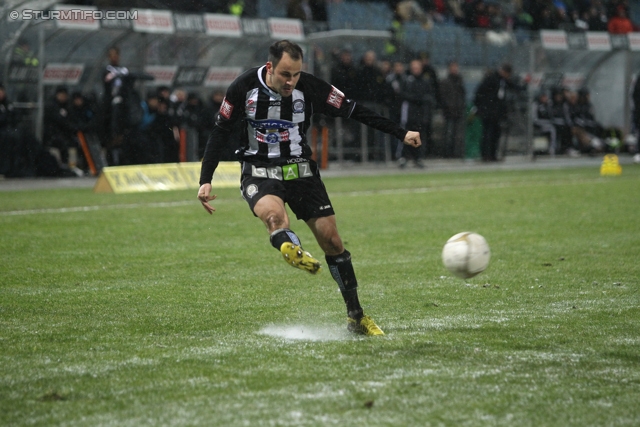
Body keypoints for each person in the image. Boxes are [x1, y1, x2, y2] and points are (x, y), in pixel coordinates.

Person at [197, 40, 421, 336]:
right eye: (285, 74)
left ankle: (356, 316)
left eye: (296, 74)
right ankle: (292, 247)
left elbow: (354, 110)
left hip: (300, 172)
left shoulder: (312, 87)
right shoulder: (243, 87)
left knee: (332, 241)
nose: (291, 81)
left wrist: (400, 132)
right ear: (270, 68)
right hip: (259, 171)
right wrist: (205, 178)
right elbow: (221, 130)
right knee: (274, 219)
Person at [473, 63, 520, 162]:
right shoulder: (491, 78)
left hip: (496, 113)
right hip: (488, 111)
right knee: (488, 134)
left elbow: (513, 87)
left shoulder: (502, 81)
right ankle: (485, 155)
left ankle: (493, 155)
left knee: (495, 134)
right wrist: (480, 107)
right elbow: (480, 92)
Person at [397, 58, 434, 168]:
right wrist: (418, 98)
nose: (416, 70)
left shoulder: (425, 81)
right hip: (409, 114)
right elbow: (403, 95)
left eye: (417, 68)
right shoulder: (407, 80)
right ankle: (404, 157)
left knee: (419, 135)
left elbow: (429, 96)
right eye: (414, 68)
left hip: (420, 114)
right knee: (406, 135)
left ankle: (417, 157)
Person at [439, 60, 466, 158]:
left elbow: (462, 96)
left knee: (457, 135)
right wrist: (448, 107)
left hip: (458, 112)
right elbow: (443, 97)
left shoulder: (459, 81)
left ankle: (456, 153)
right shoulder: (445, 82)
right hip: (449, 113)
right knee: (448, 134)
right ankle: (447, 153)